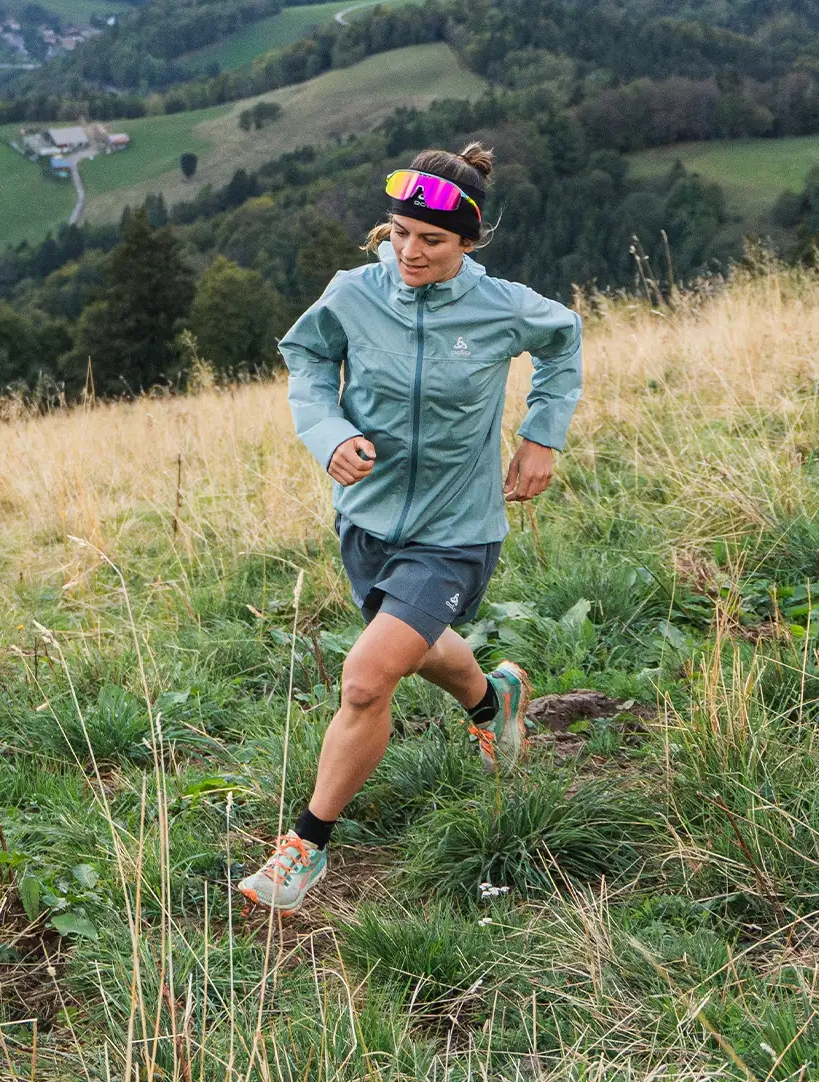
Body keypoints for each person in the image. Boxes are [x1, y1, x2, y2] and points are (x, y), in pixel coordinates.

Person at [238, 142, 582, 912]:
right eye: (398, 233)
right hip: (368, 519)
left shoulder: (500, 308)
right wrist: (329, 433)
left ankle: (305, 849)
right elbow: (306, 360)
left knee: (366, 679)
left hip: (456, 529)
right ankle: (494, 700)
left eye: (431, 240)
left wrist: (542, 435)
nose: (409, 252)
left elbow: (564, 339)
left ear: (469, 242)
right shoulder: (353, 294)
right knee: (414, 645)